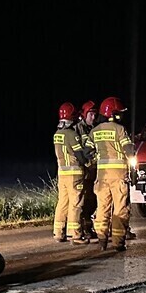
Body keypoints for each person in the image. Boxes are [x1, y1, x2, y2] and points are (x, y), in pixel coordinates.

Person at [89, 97, 132, 252]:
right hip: (119, 176)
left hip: (101, 176)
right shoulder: (119, 129)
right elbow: (128, 150)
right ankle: (118, 242)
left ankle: (102, 240)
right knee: (120, 208)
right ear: (114, 113)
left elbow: (88, 151)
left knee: (102, 207)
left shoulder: (95, 131)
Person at [51, 102, 90, 243]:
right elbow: (79, 155)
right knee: (76, 204)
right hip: (75, 174)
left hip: (62, 174)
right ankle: (76, 235)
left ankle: (58, 233)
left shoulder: (57, 134)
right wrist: (88, 160)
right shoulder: (71, 134)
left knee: (62, 203)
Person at [75, 100, 99, 240]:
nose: (93, 117)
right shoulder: (79, 128)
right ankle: (85, 228)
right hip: (85, 171)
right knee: (86, 201)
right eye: (91, 114)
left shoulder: (95, 128)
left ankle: (89, 226)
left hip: (95, 170)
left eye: (95, 114)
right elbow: (80, 151)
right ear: (84, 114)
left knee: (94, 200)